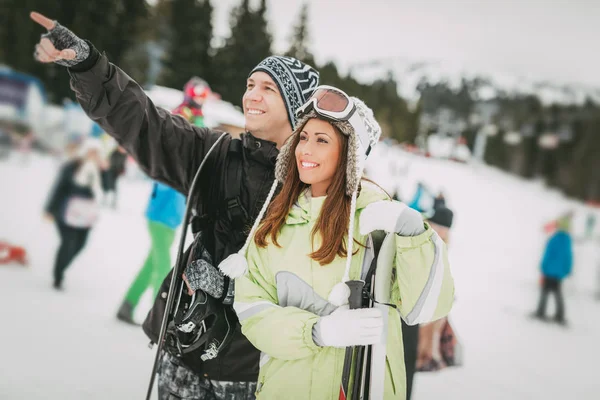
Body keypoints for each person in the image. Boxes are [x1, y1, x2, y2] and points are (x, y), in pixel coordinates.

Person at [30, 11, 319, 399]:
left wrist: (236, 289)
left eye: (268, 88)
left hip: (256, 371)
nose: (252, 94)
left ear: (296, 106)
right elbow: (148, 125)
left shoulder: (314, 186)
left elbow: (314, 283)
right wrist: (88, 65)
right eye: (251, 83)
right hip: (184, 351)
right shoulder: (215, 152)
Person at [230, 87, 455, 400]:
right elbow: (251, 312)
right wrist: (316, 332)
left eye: (322, 140)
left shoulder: (377, 223)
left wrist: (413, 232)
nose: (305, 150)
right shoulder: (274, 225)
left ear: (349, 154)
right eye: (303, 137)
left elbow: (425, 308)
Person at [116, 181, 186, 324]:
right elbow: (162, 183)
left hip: (169, 225)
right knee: (163, 267)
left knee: (150, 268)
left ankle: (128, 304)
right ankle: (159, 316)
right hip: (159, 222)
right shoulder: (169, 169)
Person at [44, 138, 103, 290]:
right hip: (65, 212)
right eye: (91, 151)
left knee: (80, 244)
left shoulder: (99, 170)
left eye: (96, 153)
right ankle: (58, 275)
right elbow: (59, 187)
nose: (93, 155)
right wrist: (50, 209)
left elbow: (107, 189)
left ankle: (62, 267)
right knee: (68, 243)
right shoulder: (72, 166)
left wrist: (105, 170)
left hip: (85, 215)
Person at [533, 213, 573, 325]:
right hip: (559, 273)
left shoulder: (554, 239)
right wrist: (568, 269)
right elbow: (569, 257)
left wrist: (543, 265)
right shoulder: (567, 241)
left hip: (549, 271)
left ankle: (541, 312)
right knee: (557, 293)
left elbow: (548, 254)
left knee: (545, 292)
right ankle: (560, 315)